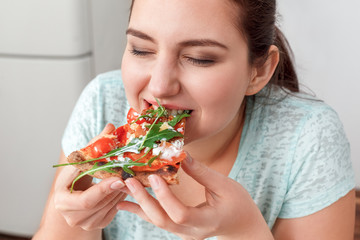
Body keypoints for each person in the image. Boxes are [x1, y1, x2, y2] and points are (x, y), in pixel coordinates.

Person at [33, 0, 356, 239]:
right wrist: (73, 219)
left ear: (259, 71)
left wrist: (244, 229)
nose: (159, 86)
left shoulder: (309, 136)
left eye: (199, 58)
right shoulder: (103, 101)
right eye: (141, 49)